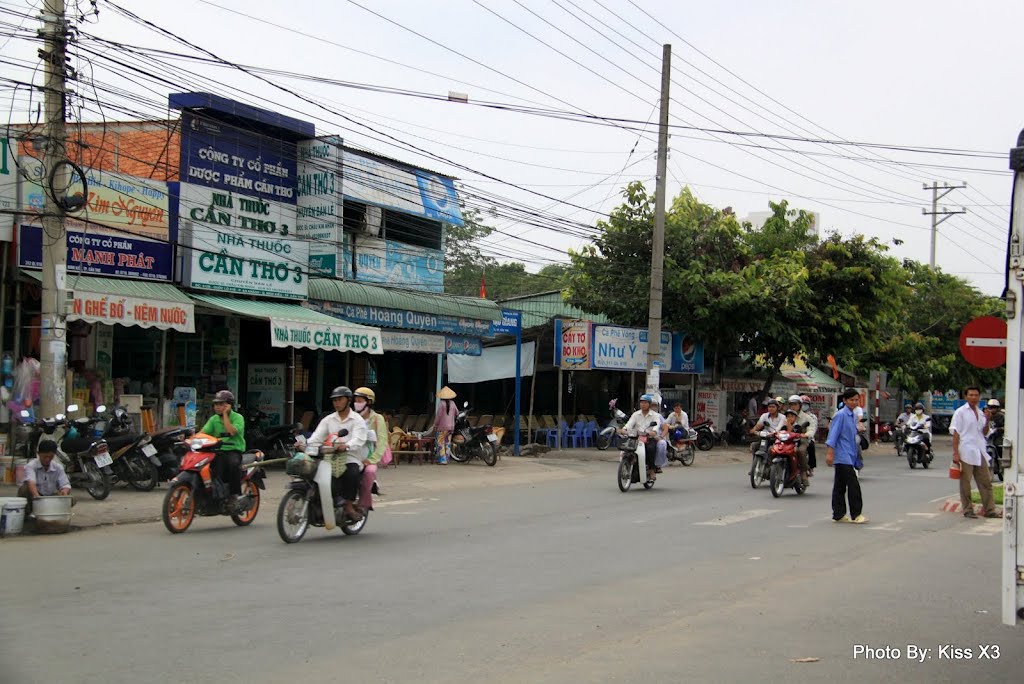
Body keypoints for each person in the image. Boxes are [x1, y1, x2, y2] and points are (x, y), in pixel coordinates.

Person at [306, 386, 368, 522]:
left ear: (348, 400)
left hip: (350, 456)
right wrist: (304, 444)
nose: (337, 403)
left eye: (340, 399)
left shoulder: (357, 420)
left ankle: (349, 506)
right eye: (334, 400)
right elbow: (317, 437)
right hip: (329, 456)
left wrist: (346, 446)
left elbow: (359, 439)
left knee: (351, 473)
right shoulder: (328, 419)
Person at [951, 386, 999, 519]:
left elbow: (984, 433)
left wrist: (987, 420)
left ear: (979, 397)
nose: (973, 397)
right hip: (965, 450)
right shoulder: (960, 412)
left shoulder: (981, 413)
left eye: (976, 395)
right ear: (966, 396)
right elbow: (956, 433)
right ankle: (968, 510)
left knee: (986, 482)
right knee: (965, 482)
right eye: (971, 395)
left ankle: (990, 510)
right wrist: (955, 453)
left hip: (979, 451)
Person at [826, 388, 867, 523]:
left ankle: (838, 514)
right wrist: (830, 454)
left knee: (840, 485)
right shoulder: (840, 415)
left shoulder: (853, 415)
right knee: (853, 484)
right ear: (844, 400)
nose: (854, 402)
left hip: (850, 454)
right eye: (851, 400)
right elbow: (833, 435)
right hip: (842, 456)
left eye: (856, 400)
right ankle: (856, 514)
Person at [199, 390, 245, 506]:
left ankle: (235, 494)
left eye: (221, 404)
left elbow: (231, 431)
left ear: (229, 405)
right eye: (216, 404)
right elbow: (203, 433)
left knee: (232, 465)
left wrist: (225, 414)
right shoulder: (213, 419)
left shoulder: (238, 417)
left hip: (233, 450)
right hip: (217, 450)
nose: (217, 407)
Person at [353, 387, 387, 511]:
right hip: (351, 455)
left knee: (369, 472)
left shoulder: (377, 419)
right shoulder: (352, 417)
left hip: (368, 457)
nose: (357, 403)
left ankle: (364, 503)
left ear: (369, 402)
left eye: (360, 400)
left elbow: (382, 442)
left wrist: (371, 460)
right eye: (355, 400)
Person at [18, 439, 71, 513]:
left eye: (50, 457)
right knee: (24, 489)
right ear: (38, 454)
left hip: (49, 496)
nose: (47, 459)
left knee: (71, 499)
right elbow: (31, 482)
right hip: (34, 496)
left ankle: (51, 512)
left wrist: (64, 491)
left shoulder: (58, 467)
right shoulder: (31, 466)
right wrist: (37, 497)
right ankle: (28, 513)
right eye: (44, 456)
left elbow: (65, 484)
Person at [623, 394, 665, 481]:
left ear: (649, 404)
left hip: (649, 437)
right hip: (636, 437)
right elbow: (629, 424)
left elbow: (656, 425)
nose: (643, 404)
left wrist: (654, 431)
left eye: (645, 403)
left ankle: (651, 469)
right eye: (641, 403)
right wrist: (624, 429)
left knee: (650, 449)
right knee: (627, 449)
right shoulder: (636, 414)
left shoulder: (655, 415)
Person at [787, 394, 813, 485]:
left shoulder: (807, 417)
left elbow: (811, 430)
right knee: (773, 448)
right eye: (791, 404)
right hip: (787, 439)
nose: (793, 407)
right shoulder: (786, 415)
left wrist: (805, 435)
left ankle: (803, 473)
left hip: (801, 440)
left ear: (800, 405)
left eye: (795, 404)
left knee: (800, 451)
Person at [434, 386, 459, 465]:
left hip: (442, 427)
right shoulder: (453, 403)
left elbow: (438, 416)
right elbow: (457, 413)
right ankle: (447, 459)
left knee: (440, 442)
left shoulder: (441, 404)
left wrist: (435, 424)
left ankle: (442, 459)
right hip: (451, 427)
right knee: (447, 443)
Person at [799, 395, 819, 473]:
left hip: (807, 437)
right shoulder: (793, 414)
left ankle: (811, 466)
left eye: (806, 404)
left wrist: (807, 435)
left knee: (811, 446)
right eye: (802, 404)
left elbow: (813, 428)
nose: (804, 406)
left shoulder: (812, 416)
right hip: (794, 437)